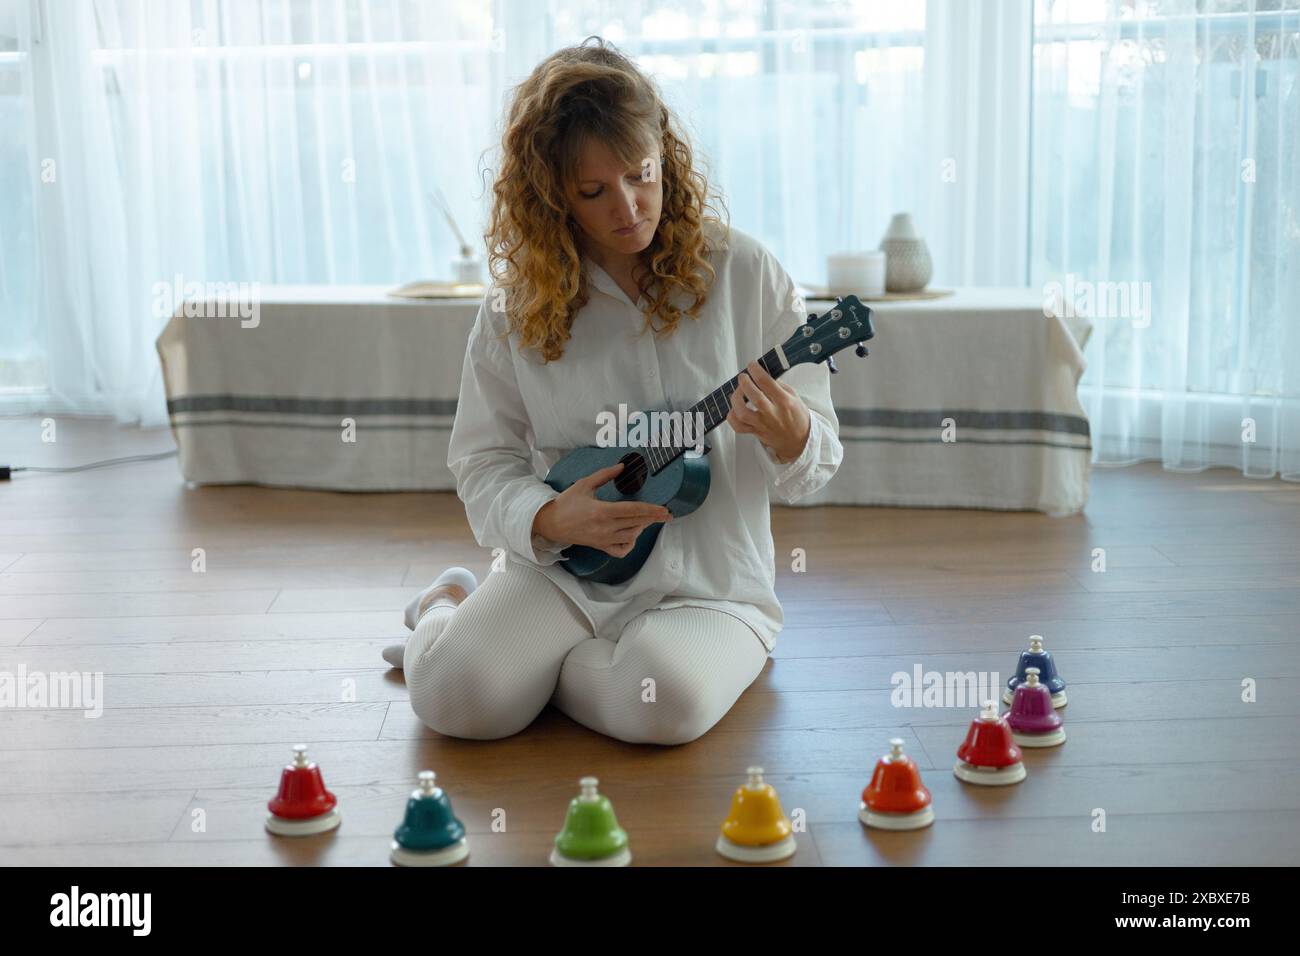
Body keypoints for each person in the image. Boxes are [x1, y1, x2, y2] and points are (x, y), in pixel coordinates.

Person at [383, 37, 843, 745]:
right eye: (593, 192)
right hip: (569, 572)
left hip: (710, 586)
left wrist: (795, 438)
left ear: (665, 154)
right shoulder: (517, 306)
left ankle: (534, 670)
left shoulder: (747, 273)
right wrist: (546, 518)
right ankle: (447, 606)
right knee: (452, 696)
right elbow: (482, 461)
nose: (628, 207)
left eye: (641, 174)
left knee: (663, 706)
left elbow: (819, 456)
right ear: (551, 198)